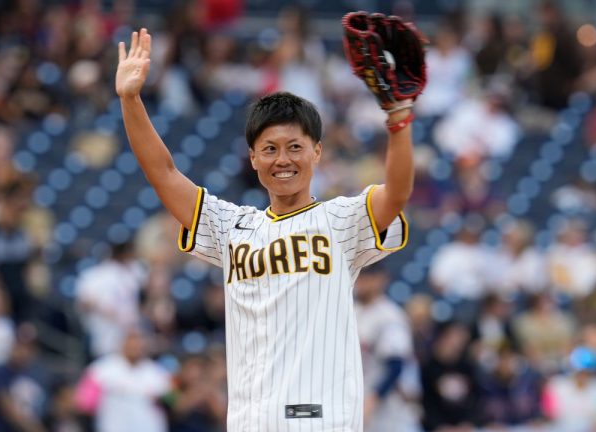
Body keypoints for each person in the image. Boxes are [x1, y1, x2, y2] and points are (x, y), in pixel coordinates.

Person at [117, 28, 414, 431]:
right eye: (270, 149)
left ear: (317, 152)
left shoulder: (341, 220)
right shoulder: (231, 228)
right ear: (253, 158)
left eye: (295, 146)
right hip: (250, 421)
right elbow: (163, 173)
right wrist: (131, 100)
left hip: (321, 420)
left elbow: (396, 193)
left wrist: (398, 118)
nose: (283, 159)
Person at [354, 265, 419, 432]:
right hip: (357, 397)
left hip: (384, 405)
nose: (361, 282)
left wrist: (372, 399)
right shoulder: (351, 310)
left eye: (367, 277)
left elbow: (396, 365)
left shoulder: (390, 316)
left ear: (380, 280)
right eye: (359, 277)